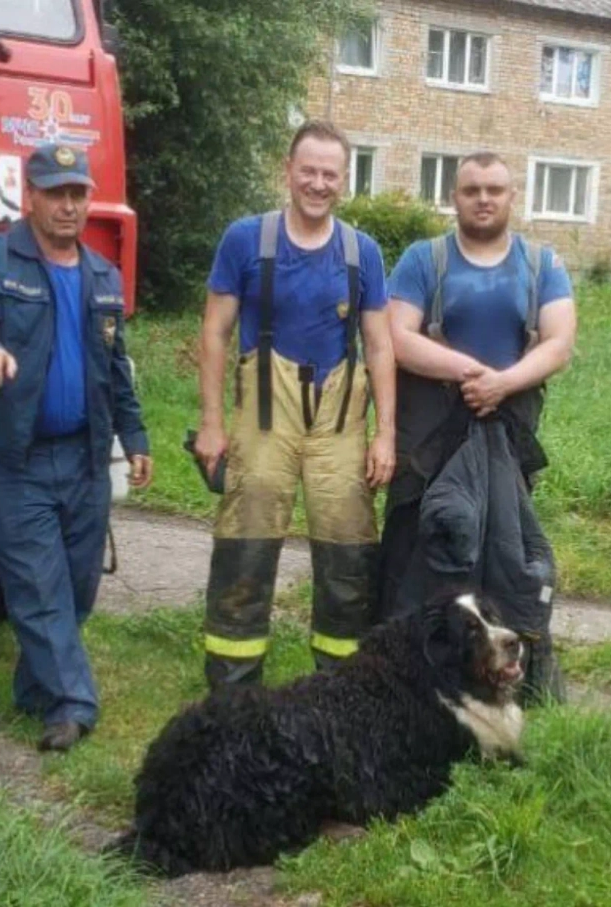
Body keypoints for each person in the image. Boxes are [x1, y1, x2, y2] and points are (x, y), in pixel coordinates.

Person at [0, 143, 152, 751]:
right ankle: (72, 704)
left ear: (89, 198)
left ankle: (35, 688)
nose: (67, 205)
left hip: (84, 460)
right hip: (17, 459)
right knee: (39, 587)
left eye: (77, 193)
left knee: (78, 589)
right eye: (54, 192)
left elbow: (117, 369)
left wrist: (134, 437)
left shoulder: (102, 276)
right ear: (29, 196)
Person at [194, 120, 396, 689]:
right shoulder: (245, 240)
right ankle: (233, 688)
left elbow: (380, 346)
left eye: (330, 174)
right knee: (248, 536)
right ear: (288, 171)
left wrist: (386, 435)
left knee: (349, 545)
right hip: (264, 414)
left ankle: (346, 685)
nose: (318, 183)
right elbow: (214, 333)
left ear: (344, 181)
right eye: (308, 170)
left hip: (339, 420)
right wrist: (211, 424)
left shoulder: (364, 253)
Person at [379, 151, 576, 702]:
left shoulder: (541, 265)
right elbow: (398, 335)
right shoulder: (425, 259)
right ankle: (411, 688)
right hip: (431, 448)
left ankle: (503, 684)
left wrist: (503, 384)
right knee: (421, 558)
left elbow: (559, 342)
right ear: (455, 197)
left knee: (505, 561)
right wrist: (472, 373)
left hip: (504, 445)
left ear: (513, 197)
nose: (483, 199)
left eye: (494, 189)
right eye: (471, 190)